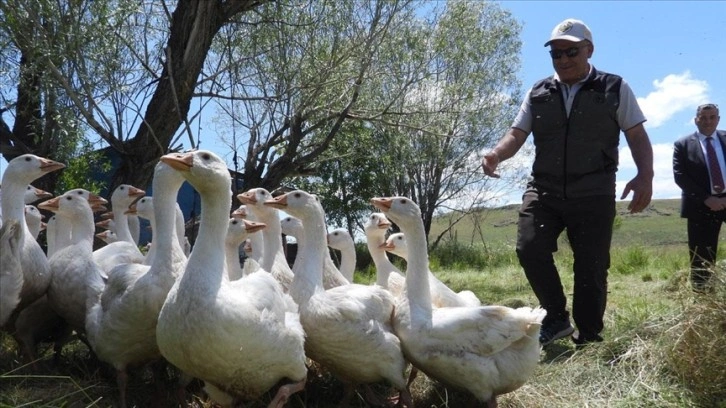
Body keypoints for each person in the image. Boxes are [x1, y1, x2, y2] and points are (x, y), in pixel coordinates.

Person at [481, 18, 654, 347]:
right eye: (556, 54)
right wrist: (495, 154)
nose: (563, 59)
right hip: (544, 190)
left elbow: (636, 134)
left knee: (591, 265)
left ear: (589, 50)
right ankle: (556, 318)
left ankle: (588, 335)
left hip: (593, 191)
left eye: (570, 51)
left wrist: (645, 174)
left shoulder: (614, 88)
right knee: (529, 248)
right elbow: (517, 133)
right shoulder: (538, 91)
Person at [673, 103, 724, 291]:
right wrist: (707, 198)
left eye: (712, 117)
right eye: (703, 117)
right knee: (701, 255)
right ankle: (703, 298)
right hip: (700, 204)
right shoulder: (683, 145)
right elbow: (680, 176)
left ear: (718, 119)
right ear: (696, 120)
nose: (708, 121)